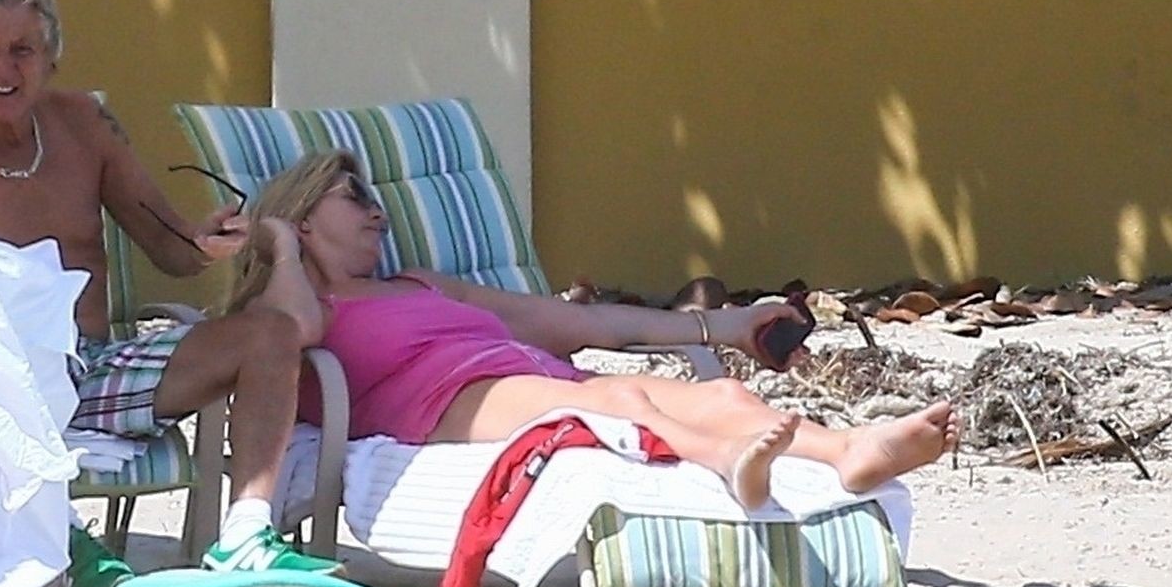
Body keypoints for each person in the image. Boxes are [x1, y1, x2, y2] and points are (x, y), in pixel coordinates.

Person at [0, 0, 334, 587]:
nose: (4, 69)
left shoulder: (84, 127)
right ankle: (62, 537)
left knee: (270, 334)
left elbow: (171, 248)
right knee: (12, 333)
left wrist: (207, 244)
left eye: (23, 51)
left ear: (50, 59)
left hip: (88, 369)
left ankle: (245, 536)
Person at [224, 152, 959, 509]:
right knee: (615, 403)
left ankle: (851, 450)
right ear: (302, 216)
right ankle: (728, 460)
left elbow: (583, 321)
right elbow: (292, 330)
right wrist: (277, 246)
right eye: (355, 197)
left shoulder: (421, 283)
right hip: (445, 402)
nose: (378, 212)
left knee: (720, 397)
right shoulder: (292, 312)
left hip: (533, 379)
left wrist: (728, 325)